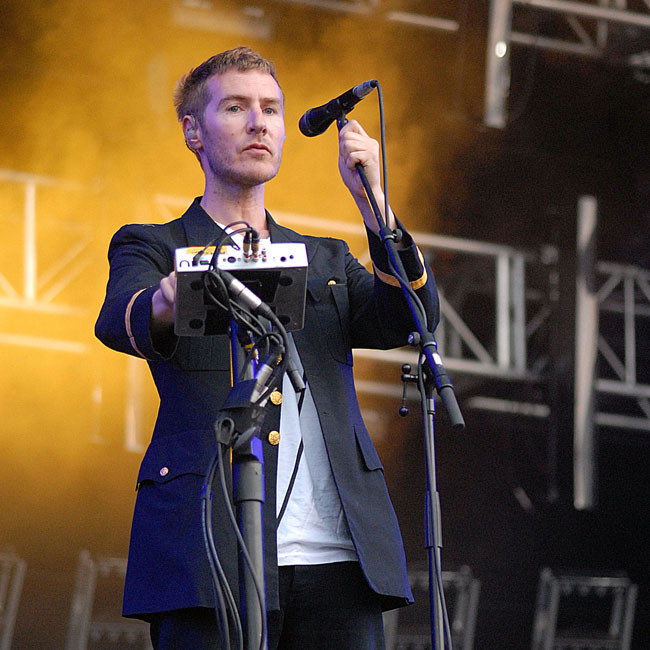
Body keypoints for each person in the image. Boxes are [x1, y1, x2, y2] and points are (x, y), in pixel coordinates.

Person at [95, 46, 439, 650]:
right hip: (211, 549)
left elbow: (408, 319)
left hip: (338, 558)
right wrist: (169, 300)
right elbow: (118, 319)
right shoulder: (154, 244)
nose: (259, 122)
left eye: (271, 109)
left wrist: (375, 207)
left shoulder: (325, 258)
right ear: (193, 132)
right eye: (236, 107)